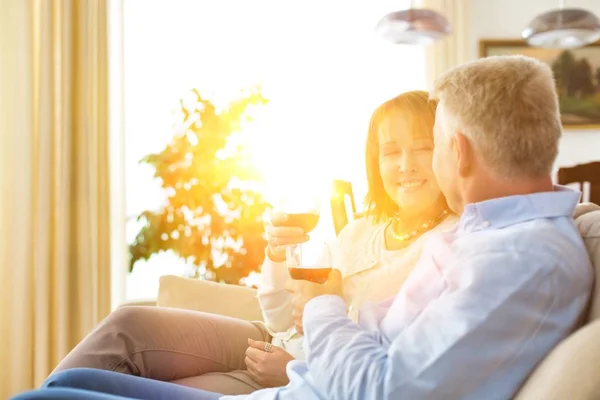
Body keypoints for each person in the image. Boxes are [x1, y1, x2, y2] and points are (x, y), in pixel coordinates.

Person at [12, 55, 594, 400]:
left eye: (432, 144)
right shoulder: (490, 234)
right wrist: (314, 306)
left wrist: (324, 307)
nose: (415, 164)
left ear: (458, 153)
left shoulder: (522, 258)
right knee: (62, 389)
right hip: (297, 385)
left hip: (299, 389)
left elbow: (383, 388)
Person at [43, 91, 456, 395]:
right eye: (390, 152)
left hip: (304, 374)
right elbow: (278, 318)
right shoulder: (360, 231)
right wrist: (277, 256)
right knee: (127, 325)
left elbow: (390, 367)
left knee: (155, 387)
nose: (405, 166)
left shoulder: (449, 248)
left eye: (422, 148)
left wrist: (297, 370)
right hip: (267, 340)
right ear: (375, 161)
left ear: (448, 154)